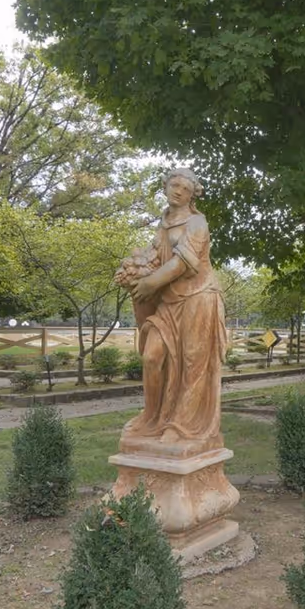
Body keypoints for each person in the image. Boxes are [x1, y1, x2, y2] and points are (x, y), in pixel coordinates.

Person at [120, 169, 227, 447]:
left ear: (192, 195)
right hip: (168, 300)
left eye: (185, 188)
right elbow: (156, 255)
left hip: (198, 297)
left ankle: (180, 425)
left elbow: (182, 263)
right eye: (174, 185)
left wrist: (150, 283)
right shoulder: (164, 221)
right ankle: (152, 417)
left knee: (193, 363)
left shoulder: (197, 222)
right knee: (152, 357)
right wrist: (135, 271)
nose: (178, 191)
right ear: (165, 186)